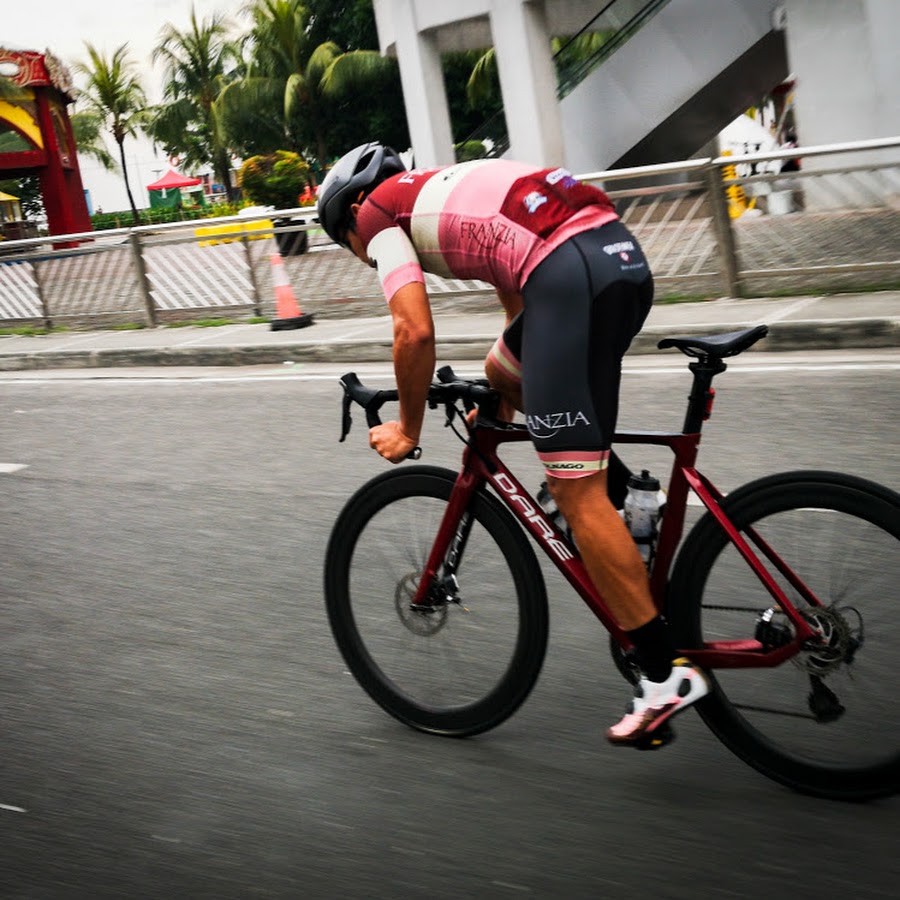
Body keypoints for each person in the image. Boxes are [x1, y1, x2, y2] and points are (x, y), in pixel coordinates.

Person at [317, 142, 708, 747]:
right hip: (617, 257)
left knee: (573, 492)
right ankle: (632, 503)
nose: (360, 253)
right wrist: (501, 395)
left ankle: (663, 676)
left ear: (349, 213)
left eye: (347, 243)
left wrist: (408, 429)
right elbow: (519, 305)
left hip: (569, 273)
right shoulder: (441, 187)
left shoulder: (376, 214)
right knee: (503, 372)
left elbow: (413, 331)